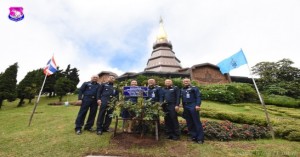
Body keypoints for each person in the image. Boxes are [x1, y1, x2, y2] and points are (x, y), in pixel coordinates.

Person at [180, 78, 204, 144]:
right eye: (184, 81)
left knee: (196, 121)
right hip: (186, 107)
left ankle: (200, 138)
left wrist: (198, 105)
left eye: (187, 81)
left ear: (190, 82)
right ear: (183, 82)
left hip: (193, 105)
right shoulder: (182, 89)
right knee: (189, 122)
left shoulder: (194, 88)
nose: (186, 82)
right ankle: (193, 136)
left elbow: (198, 96)